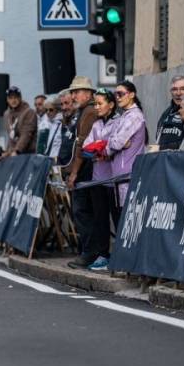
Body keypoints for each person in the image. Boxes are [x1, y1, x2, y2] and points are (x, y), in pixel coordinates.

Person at [77, 89, 117, 271]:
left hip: (115, 179)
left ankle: (121, 254)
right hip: (97, 179)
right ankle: (103, 255)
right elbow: (86, 148)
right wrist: (100, 149)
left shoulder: (119, 122)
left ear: (111, 104)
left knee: (118, 218)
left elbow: (116, 145)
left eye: (100, 103)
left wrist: (101, 149)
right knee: (100, 219)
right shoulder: (97, 124)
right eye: (95, 104)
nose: (97, 107)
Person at [65, 76, 98, 268]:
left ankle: (89, 253)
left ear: (88, 93)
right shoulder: (84, 111)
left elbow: (82, 145)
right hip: (88, 167)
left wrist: (74, 172)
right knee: (84, 211)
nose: (73, 95)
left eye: (77, 92)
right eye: (72, 92)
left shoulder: (89, 112)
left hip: (87, 168)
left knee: (82, 211)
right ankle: (87, 250)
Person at [106, 81, 146, 226]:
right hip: (118, 174)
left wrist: (114, 144)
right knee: (119, 219)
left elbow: (115, 143)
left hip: (128, 174)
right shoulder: (124, 116)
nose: (117, 97)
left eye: (121, 94)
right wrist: (114, 143)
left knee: (127, 220)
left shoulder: (134, 116)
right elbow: (112, 141)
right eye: (116, 94)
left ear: (132, 95)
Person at [0, 86, 37, 159]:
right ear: (7, 100)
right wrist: (7, 153)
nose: (13, 100)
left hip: (28, 154)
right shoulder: (6, 114)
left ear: (20, 98)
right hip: (14, 155)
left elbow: (26, 134)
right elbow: (11, 138)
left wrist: (17, 151)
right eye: (10, 98)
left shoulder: (29, 112)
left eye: (15, 97)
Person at [155, 75, 184, 150]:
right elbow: (158, 137)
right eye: (174, 89)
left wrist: (163, 147)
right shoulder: (166, 113)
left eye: (183, 89)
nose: (178, 93)